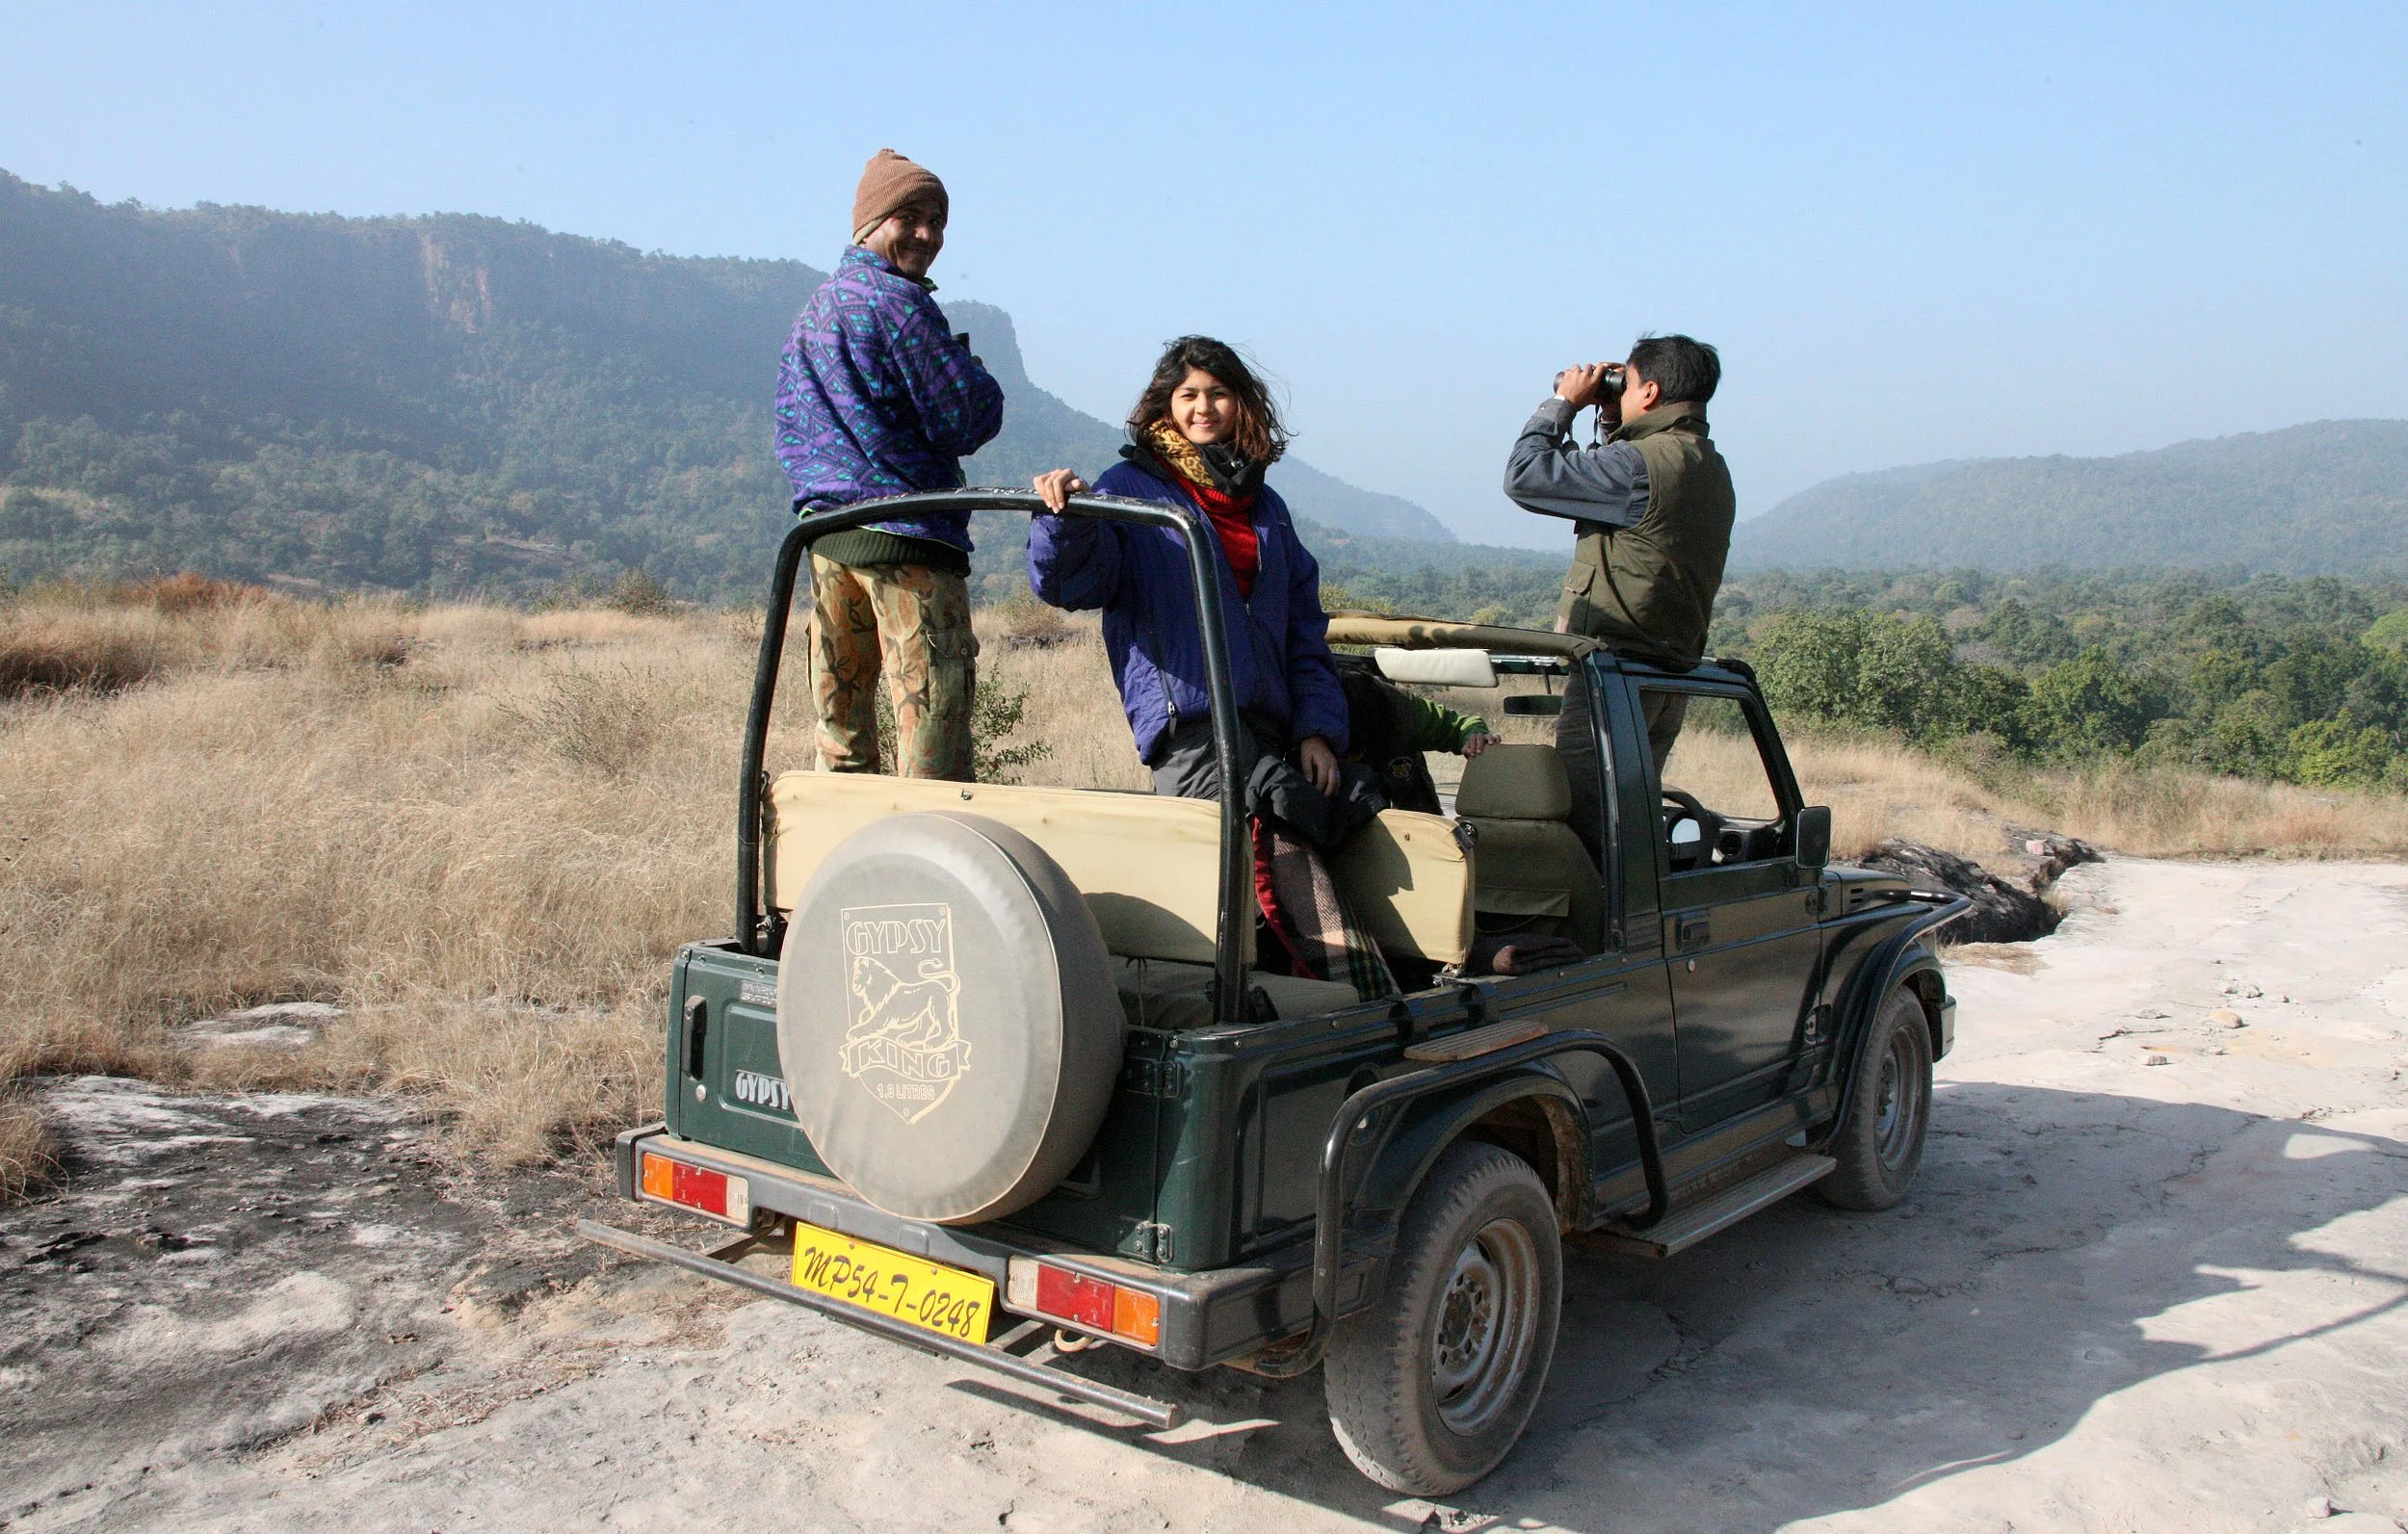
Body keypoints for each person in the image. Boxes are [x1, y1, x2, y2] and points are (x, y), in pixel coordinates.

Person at [1027, 337, 1392, 1001]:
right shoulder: (1132, 489)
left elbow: (1302, 634)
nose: (1204, 408)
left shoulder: (1266, 507)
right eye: (1188, 394)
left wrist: (1317, 729)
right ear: (1165, 404)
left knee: (1321, 840)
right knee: (1264, 879)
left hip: (1272, 731)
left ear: (1241, 402)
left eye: (1217, 393)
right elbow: (1072, 582)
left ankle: (1292, 1020)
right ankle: (1353, 1012)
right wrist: (1063, 517)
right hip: (1193, 731)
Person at [773, 148, 1004, 780]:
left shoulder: (812, 314)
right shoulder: (899, 304)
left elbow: (789, 432)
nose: (928, 234)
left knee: (840, 740)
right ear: (869, 222)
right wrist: (974, 371)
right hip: (908, 546)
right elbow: (968, 417)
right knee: (933, 738)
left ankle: (842, 870)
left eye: (938, 221)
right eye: (911, 216)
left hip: (826, 545)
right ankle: (928, 871)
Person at [1502, 333, 1734, 772]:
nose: (1617, 392)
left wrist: (1562, 403)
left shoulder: (1639, 465)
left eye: (1625, 384)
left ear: (1650, 392)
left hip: (1614, 675)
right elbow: (1624, 497)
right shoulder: (1706, 463)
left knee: (1587, 817)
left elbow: (1526, 475)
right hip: (1664, 675)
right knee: (1628, 815)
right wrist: (1612, 419)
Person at [1339, 669, 1497, 816]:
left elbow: (1458, 727)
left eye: (1359, 751)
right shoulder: (1317, 712)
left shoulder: (1404, 711)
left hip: (1411, 818)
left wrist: (1474, 736)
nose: (1355, 757)